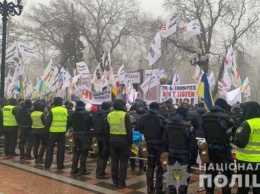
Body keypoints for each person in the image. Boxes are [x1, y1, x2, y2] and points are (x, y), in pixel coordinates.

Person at [201, 98, 235, 194]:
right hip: (224, 150)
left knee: (210, 174)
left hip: (210, 150)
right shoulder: (225, 118)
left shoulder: (204, 116)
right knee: (227, 175)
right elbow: (231, 134)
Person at [164, 107, 197, 194]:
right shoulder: (187, 126)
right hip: (184, 155)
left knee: (174, 175)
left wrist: (167, 151)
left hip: (172, 153)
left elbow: (165, 140)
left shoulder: (168, 124)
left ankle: (172, 191)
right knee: (184, 177)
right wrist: (194, 158)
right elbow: (193, 144)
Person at [232, 101, 260, 194]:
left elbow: (240, 143)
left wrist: (233, 137)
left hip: (245, 162)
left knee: (243, 188)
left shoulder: (246, 123)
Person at [139, 102, 166, 194]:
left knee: (150, 165)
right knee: (160, 166)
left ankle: (149, 187)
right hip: (159, 145)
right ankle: (158, 188)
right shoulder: (161, 118)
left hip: (148, 144)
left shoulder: (143, 117)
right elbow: (164, 131)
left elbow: (141, 129)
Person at [107, 99, 133, 189]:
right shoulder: (125, 115)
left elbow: (108, 128)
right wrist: (130, 142)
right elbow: (129, 130)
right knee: (123, 162)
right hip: (124, 140)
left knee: (114, 161)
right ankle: (121, 182)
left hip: (113, 139)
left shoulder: (109, 115)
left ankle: (115, 181)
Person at [68, 100, 93, 176]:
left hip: (75, 135)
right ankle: (82, 170)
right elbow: (91, 124)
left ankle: (73, 169)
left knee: (76, 152)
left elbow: (69, 124)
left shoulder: (72, 114)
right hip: (84, 135)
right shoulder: (87, 114)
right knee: (84, 153)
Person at [45, 97, 68, 169]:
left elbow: (48, 122)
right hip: (62, 131)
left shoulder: (52, 110)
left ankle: (47, 164)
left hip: (53, 131)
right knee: (61, 148)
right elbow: (68, 120)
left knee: (50, 148)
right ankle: (60, 165)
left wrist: (46, 132)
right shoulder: (65, 110)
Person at [93, 101, 112, 179]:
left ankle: (99, 170)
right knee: (103, 156)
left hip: (98, 136)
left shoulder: (97, 114)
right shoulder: (106, 115)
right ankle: (100, 173)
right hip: (105, 137)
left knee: (100, 155)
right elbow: (107, 127)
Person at [128, 102, 146, 173]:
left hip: (134, 136)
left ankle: (133, 167)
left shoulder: (132, 115)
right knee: (142, 153)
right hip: (142, 136)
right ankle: (141, 168)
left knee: (133, 152)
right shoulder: (145, 116)